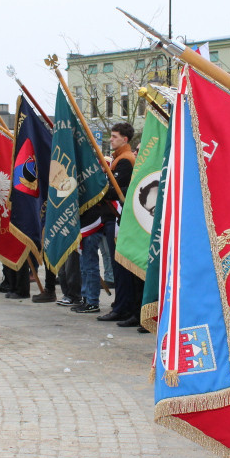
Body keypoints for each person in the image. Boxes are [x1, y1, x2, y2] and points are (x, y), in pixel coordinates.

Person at [96, 123, 140, 326]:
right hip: (117, 218)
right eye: (111, 136)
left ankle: (124, 307)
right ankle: (121, 305)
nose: (111, 139)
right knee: (118, 266)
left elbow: (117, 191)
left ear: (125, 140)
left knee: (122, 266)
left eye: (115, 137)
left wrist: (100, 189)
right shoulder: (118, 160)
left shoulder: (126, 161)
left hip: (123, 218)